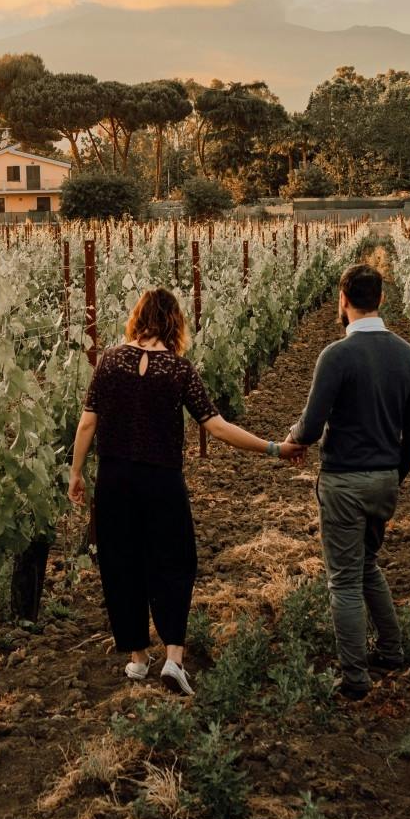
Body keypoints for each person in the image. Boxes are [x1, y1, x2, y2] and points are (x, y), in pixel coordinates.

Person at [69, 288, 295, 695]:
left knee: (121, 564)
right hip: (161, 481)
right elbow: (217, 426)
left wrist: (76, 473)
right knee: (174, 561)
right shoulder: (178, 370)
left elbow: (87, 424)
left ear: (138, 319)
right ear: (175, 323)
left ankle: (137, 658)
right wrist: (273, 448)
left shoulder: (109, 363)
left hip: (115, 480)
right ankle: (173, 657)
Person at [281, 262, 410, 700]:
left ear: (343, 300)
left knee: (343, 580)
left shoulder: (336, 356)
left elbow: (313, 422)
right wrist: (394, 475)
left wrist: (292, 440)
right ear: (381, 299)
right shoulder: (407, 355)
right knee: (367, 566)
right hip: (385, 480)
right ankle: (392, 648)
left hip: (344, 481)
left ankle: (355, 680)